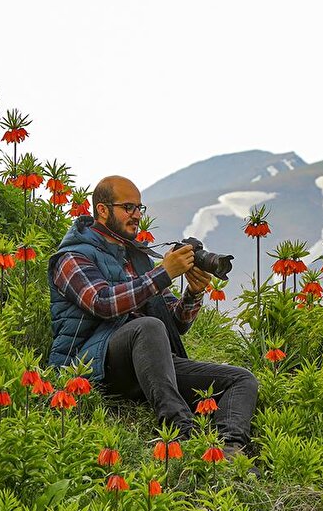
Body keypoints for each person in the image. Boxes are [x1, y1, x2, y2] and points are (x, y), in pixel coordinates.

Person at [47, 175, 258, 452]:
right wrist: (164, 273)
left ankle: (229, 450)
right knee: (147, 327)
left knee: (242, 379)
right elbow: (102, 303)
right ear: (102, 210)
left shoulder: (139, 257)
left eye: (139, 208)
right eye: (128, 208)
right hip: (92, 365)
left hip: (149, 362)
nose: (136, 215)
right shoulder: (73, 256)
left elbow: (175, 323)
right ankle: (181, 430)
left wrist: (193, 293)